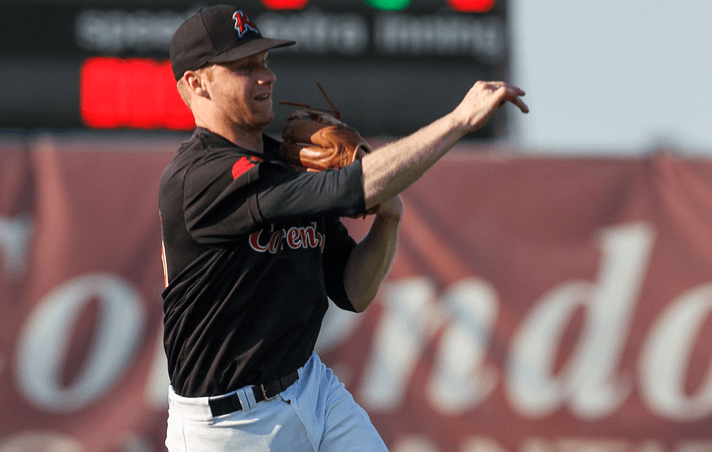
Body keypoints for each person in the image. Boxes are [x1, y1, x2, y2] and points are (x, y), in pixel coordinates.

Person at [159, 5, 528, 451]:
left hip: (311, 387)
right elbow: (351, 186)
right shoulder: (200, 179)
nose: (265, 76)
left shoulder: (282, 166)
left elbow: (353, 291)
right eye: (243, 67)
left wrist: (389, 218)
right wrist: (458, 121)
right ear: (195, 83)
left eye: (264, 61)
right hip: (231, 426)